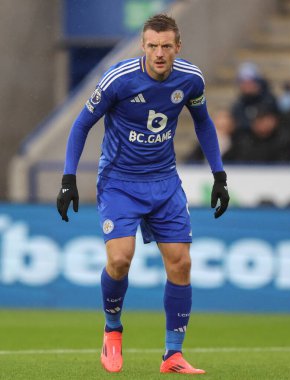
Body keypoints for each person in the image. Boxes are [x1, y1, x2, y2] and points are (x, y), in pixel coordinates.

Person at [57, 14, 229, 375]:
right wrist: (68, 179)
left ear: (177, 47)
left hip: (164, 181)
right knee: (120, 258)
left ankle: (173, 355)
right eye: (152, 46)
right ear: (143, 46)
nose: (160, 53)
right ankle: (113, 329)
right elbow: (81, 123)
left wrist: (219, 175)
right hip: (120, 181)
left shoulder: (191, 78)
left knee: (181, 262)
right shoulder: (119, 79)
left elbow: (203, 121)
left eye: (166, 46)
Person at [231, 62, 278, 130]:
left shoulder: (270, 102)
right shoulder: (238, 106)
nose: (247, 85)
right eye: (243, 82)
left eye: (250, 82)